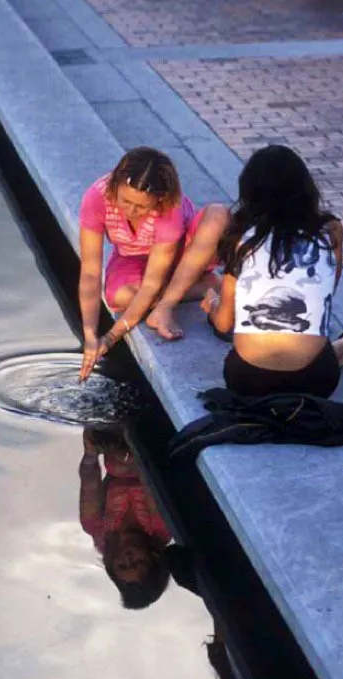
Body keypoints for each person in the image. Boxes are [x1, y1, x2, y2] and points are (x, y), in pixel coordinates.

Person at [200, 145, 343, 397]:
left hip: (246, 380)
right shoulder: (330, 231)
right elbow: (325, 295)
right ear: (305, 189)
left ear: (249, 193)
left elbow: (224, 324)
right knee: (317, 351)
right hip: (316, 380)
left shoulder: (241, 239)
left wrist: (213, 306)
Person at [78, 146, 224, 381]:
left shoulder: (169, 208)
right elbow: (90, 273)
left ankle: (173, 298)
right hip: (133, 256)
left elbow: (150, 284)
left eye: (141, 206)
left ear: (160, 199)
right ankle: (204, 286)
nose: (131, 210)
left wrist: (112, 337)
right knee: (121, 297)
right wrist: (90, 335)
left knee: (218, 215)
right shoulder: (96, 197)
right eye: (125, 200)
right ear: (114, 184)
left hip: (183, 255)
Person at [79, 426, 172, 609]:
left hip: (119, 446)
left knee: (116, 462)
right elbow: (150, 477)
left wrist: (90, 452)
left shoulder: (95, 527)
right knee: (120, 465)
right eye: (138, 562)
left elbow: (89, 479)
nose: (127, 557)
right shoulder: (161, 528)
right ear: (154, 558)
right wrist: (125, 455)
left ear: (112, 566)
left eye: (122, 566)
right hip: (154, 450)